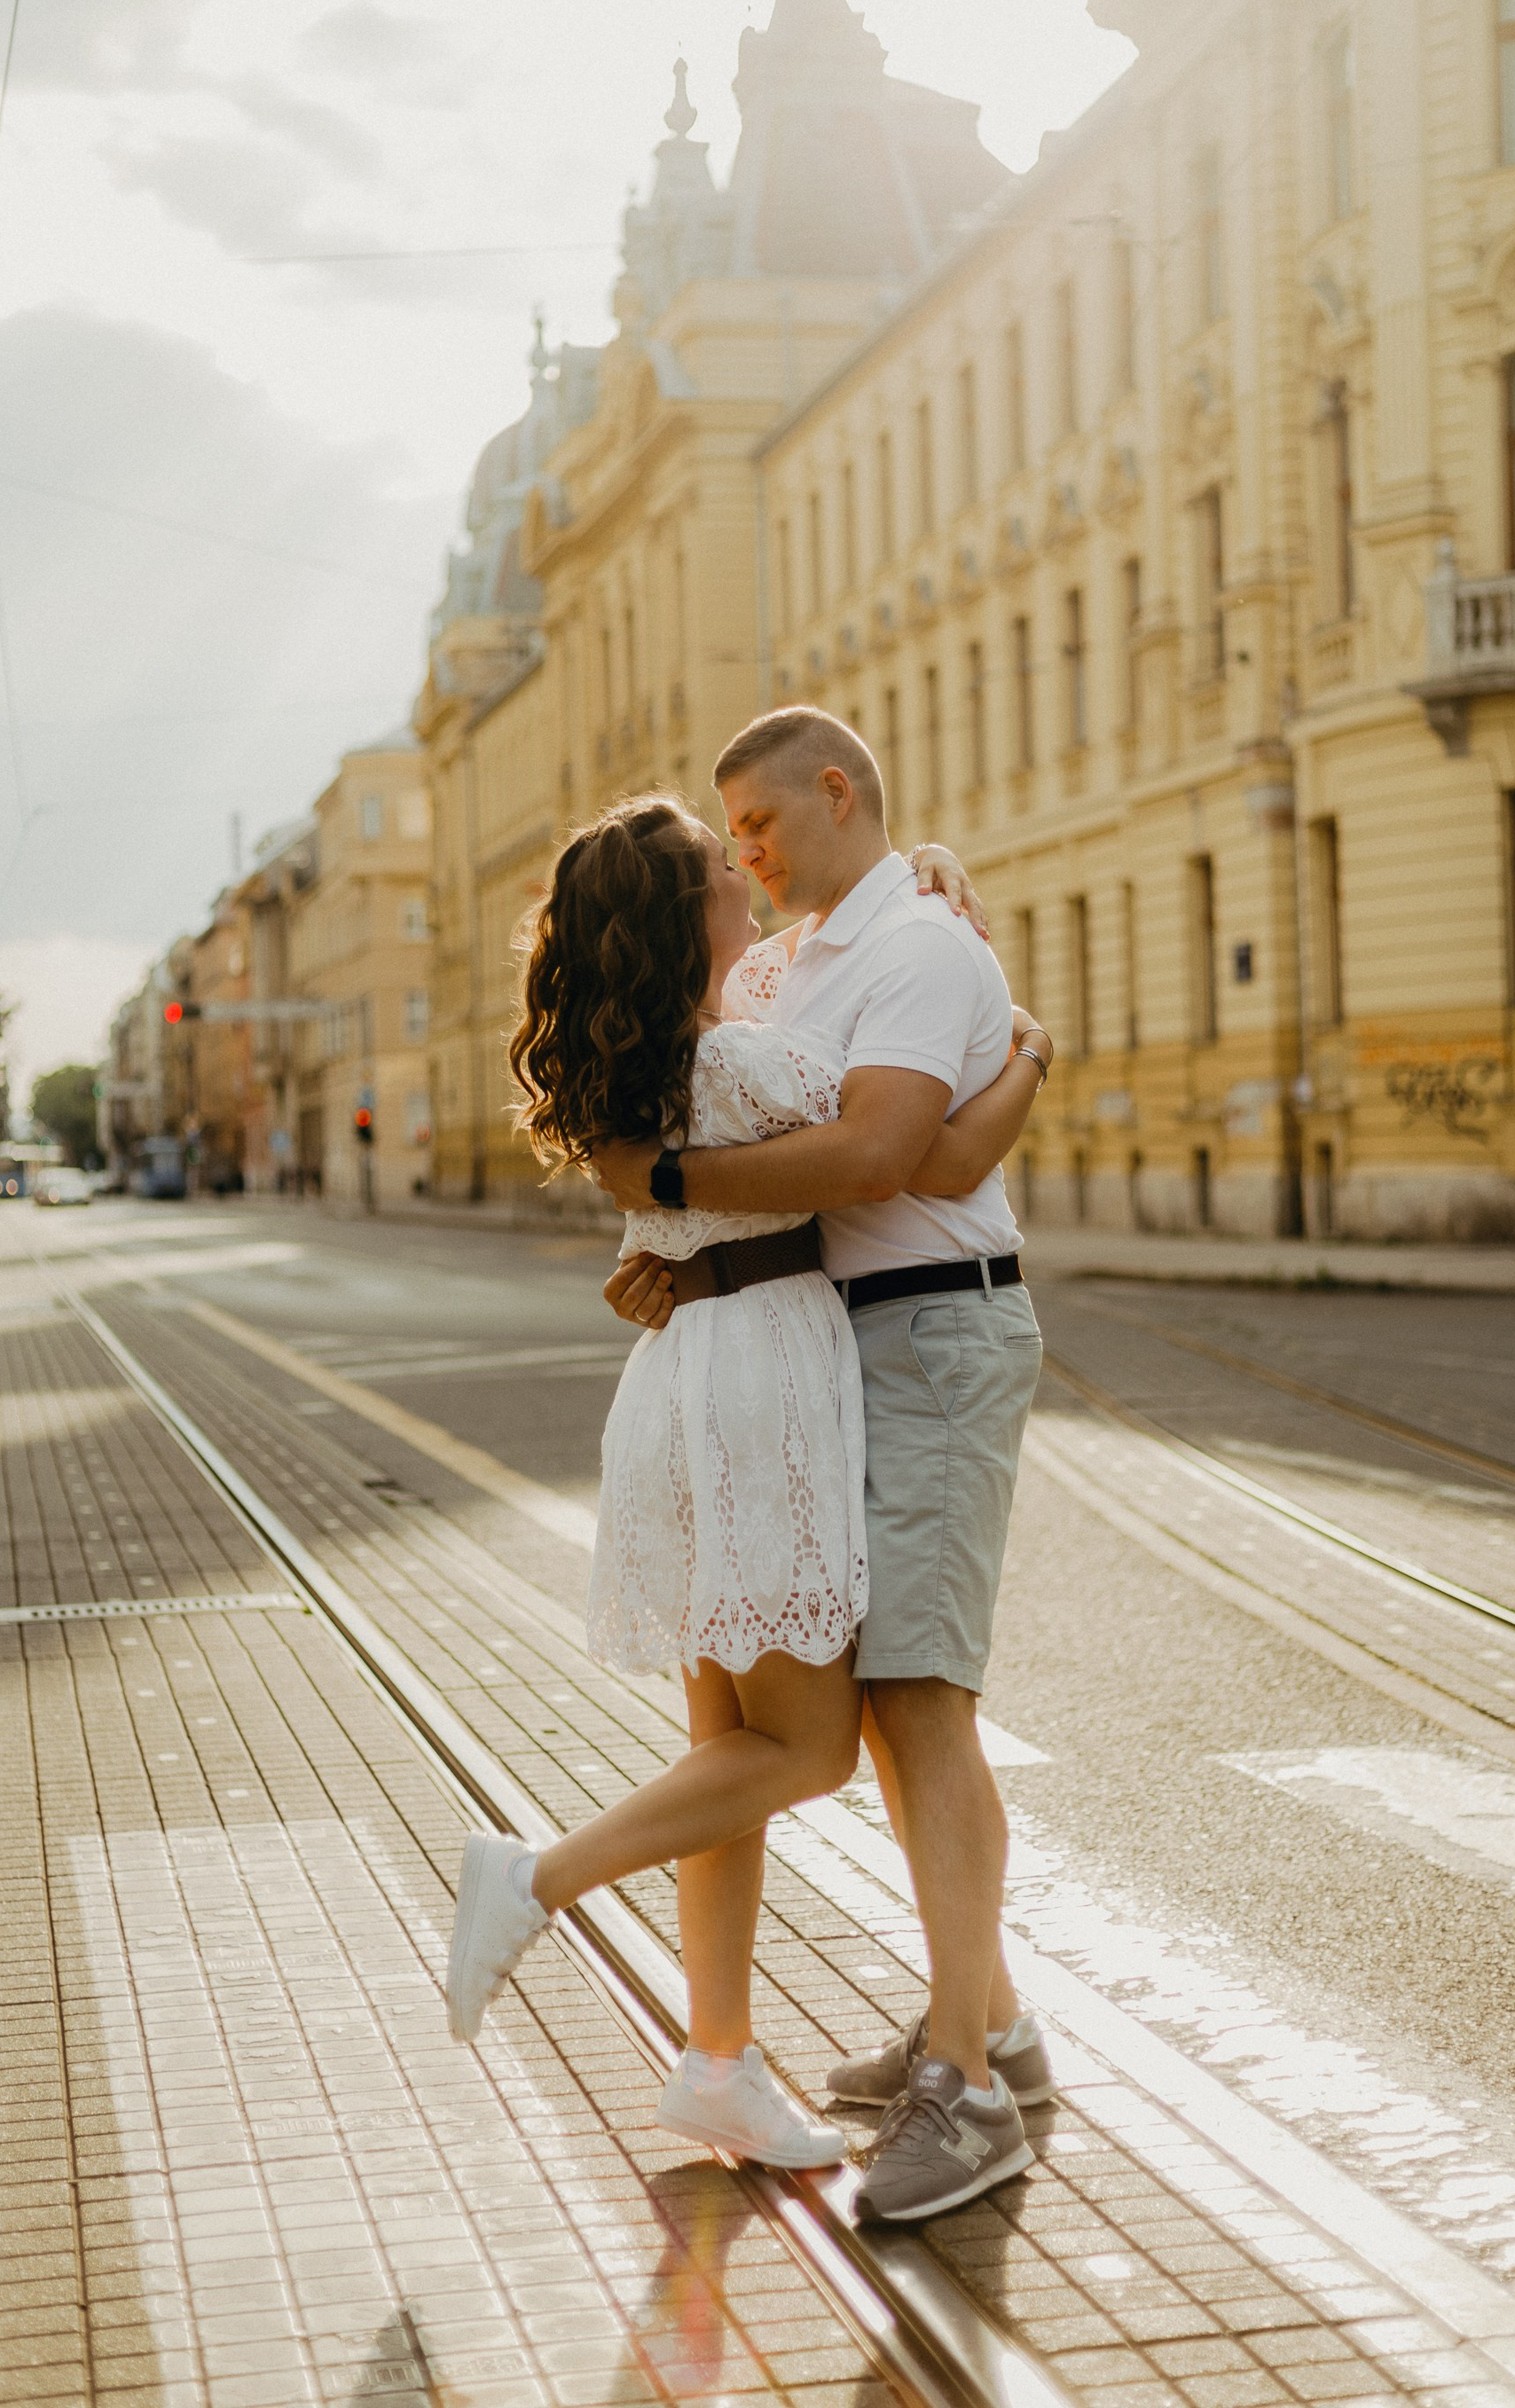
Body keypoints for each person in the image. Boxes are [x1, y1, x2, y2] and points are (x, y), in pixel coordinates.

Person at [444, 791, 1053, 2184]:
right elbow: (918, 1152)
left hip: (682, 1377)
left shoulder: (660, 1064)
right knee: (804, 1749)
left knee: (727, 1749)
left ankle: (718, 2059)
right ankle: (535, 1880)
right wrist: (1024, 1048)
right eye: (727, 863)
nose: (749, 875)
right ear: (691, 918)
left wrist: (916, 887)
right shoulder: (748, 1062)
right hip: (766, 1385)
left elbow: (685, 1184)